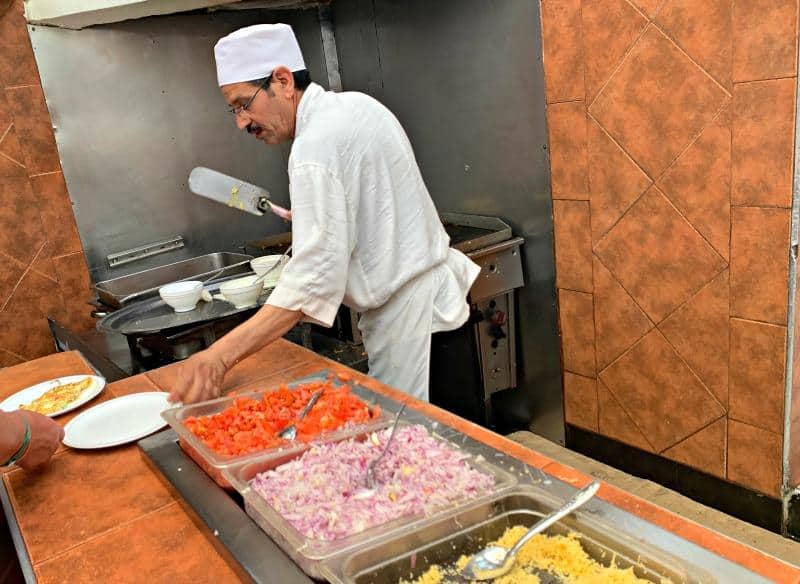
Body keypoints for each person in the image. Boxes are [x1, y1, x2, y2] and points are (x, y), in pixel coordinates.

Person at [170, 23, 479, 405]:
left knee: (426, 459)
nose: (241, 122)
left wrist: (217, 357)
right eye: (232, 109)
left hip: (416, 332)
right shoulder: (357, 106)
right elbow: (374, 208)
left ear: (282, 80)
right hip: (444, 316)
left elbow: (312, 282)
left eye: (243, 104)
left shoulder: (313, 149)